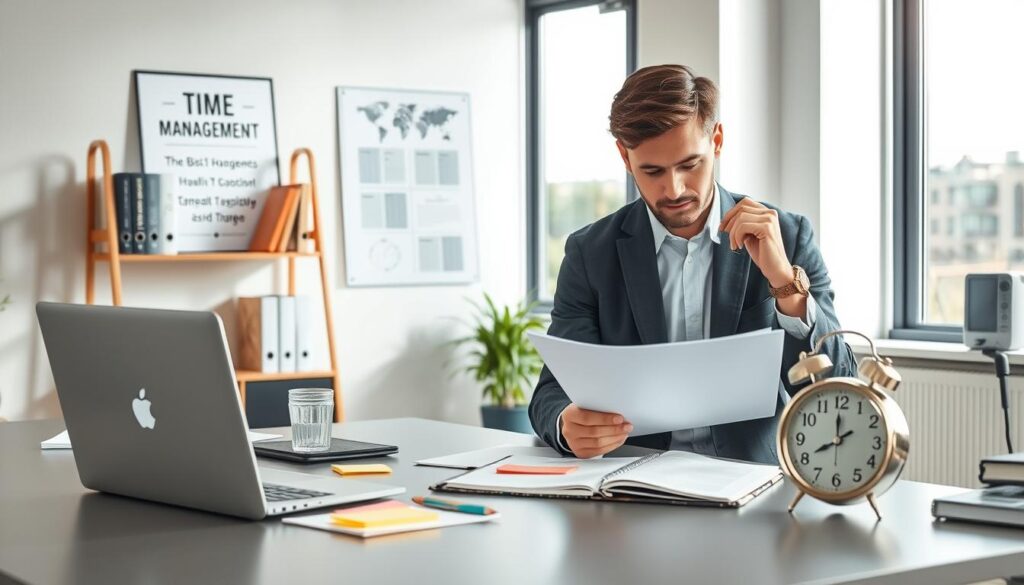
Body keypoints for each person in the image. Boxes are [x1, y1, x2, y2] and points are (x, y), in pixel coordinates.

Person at [528, 64, 856, 462]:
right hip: (633, 487)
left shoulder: (788, 236)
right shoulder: (590, 253)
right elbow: (551, 392)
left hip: (754, 484)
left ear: (716, 140)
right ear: (625, 158)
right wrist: (567, 424)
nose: (675, 189)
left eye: (690, 164)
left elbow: (839, 386)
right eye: (652, 171)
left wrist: (784, 281)